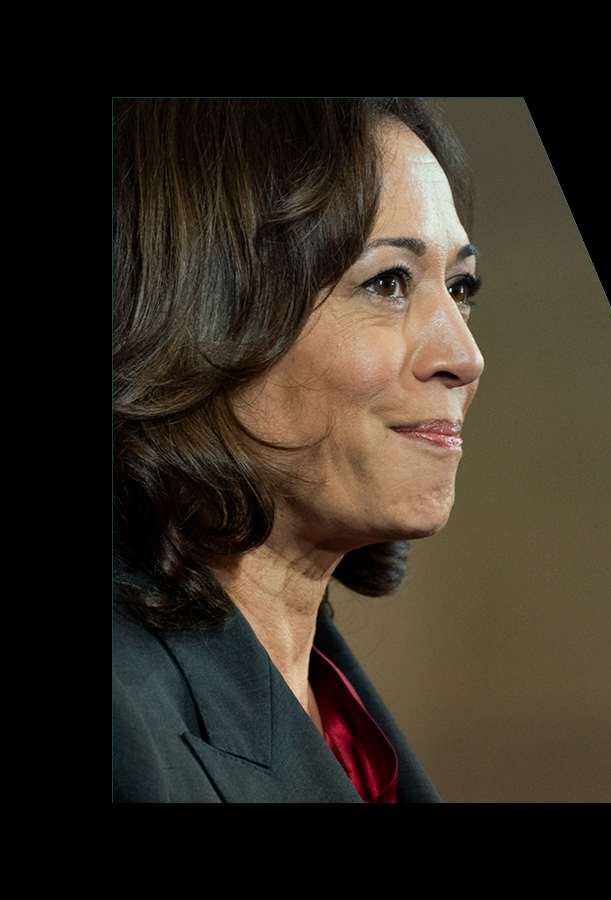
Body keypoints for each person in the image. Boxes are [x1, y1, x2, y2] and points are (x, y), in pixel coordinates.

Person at [113, 99, 484, 802]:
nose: (465, 357)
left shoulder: (332, 706)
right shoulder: (128, 731)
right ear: (203, 314)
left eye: (460, 289)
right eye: (388, 283)